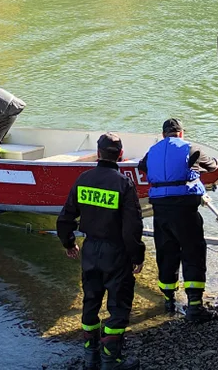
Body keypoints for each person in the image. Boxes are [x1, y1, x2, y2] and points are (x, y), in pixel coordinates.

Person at [58, 133, 145, 370]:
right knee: (118, 306)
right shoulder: (123, 184)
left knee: (91, 301)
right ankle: (111, 360)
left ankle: (90, 358)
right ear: (120, 155)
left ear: (97, 153)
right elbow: (132, 226)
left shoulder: (83, 179)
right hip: (116, 252)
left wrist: (68, 243)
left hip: (90, 249)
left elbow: (66, 217)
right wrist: (137, 255)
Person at [138, 118, 218, 323]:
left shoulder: (152, 151)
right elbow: (212, 166)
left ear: (163, 134)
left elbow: (142, 166)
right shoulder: (190, 149)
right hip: (185, 211)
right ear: (181, 133)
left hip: (160, 212)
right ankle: (194, 307)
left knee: (166, 254)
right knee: (192, 254)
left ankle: (169, 301)